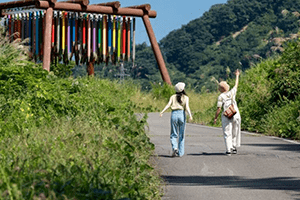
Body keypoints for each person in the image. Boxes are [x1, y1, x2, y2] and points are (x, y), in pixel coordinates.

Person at [160, 82, 193, 157]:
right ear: (183, 89)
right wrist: (190, 115)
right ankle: (180, 153)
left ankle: (175, 148)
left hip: (174, 114)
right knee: (181, 134)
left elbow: (168, 105)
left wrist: (162, 112)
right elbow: (187, 107)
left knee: (173, 133)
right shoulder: (186, 97)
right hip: (181, 114)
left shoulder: (173, 96)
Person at [214, 70, 241, 156]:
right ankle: (234, 147)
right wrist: (237, 75)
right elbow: (236, 85)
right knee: (235, 130)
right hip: (235, 113)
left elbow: (219, 108)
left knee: (227, 132)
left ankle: (228, 149)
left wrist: (215, 117)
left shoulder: (221, 96)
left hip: (226, 115)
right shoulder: (232, 92)